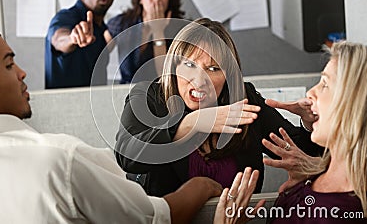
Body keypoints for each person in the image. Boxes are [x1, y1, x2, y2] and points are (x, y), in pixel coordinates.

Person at [0, 25, 224, 223]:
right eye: (9, 64)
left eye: (213, 67)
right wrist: (203, 184)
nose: (22, 73)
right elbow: (157, 217)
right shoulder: (61, 160)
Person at [114, 18, 322, 197]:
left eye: (213, 69)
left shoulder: (243, 99)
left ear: (228, 77)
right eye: (189, 65)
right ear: (174, 66)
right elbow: (127, 156)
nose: (199, 80)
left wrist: (312, 126)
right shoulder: (150, 97)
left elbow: (297, 151)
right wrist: (190, 124)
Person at [214, 41, 367, 223]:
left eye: (325, 84)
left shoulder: (337, 212)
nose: (311, 92)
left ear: (355, 106)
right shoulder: (314, 176)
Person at [45, 0, 117, 89]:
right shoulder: (66, 17)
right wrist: (72, 38)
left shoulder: (102, 28)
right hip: (67, 106)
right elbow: (57, 39)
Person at [105, 0, 185, 84]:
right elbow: (98, 54)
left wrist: (158, 32)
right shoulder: (123, 23)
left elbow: (164, 76)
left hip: (160, 95)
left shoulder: (180, 28)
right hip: (125, 93)